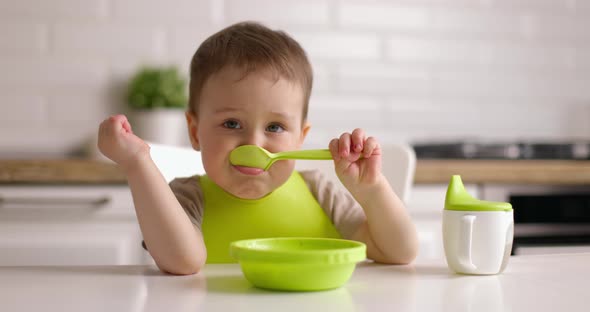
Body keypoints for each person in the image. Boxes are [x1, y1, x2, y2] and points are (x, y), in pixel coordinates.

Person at [98, 21, 418, 275]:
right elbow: (183, 262)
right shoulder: (185, 198)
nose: (253, 144)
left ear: (300, 138)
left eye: (275, 127)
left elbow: (399, 252)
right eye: (232, 124)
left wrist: (372, 191)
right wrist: (138, 162)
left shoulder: (320, 193)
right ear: (195, 131)